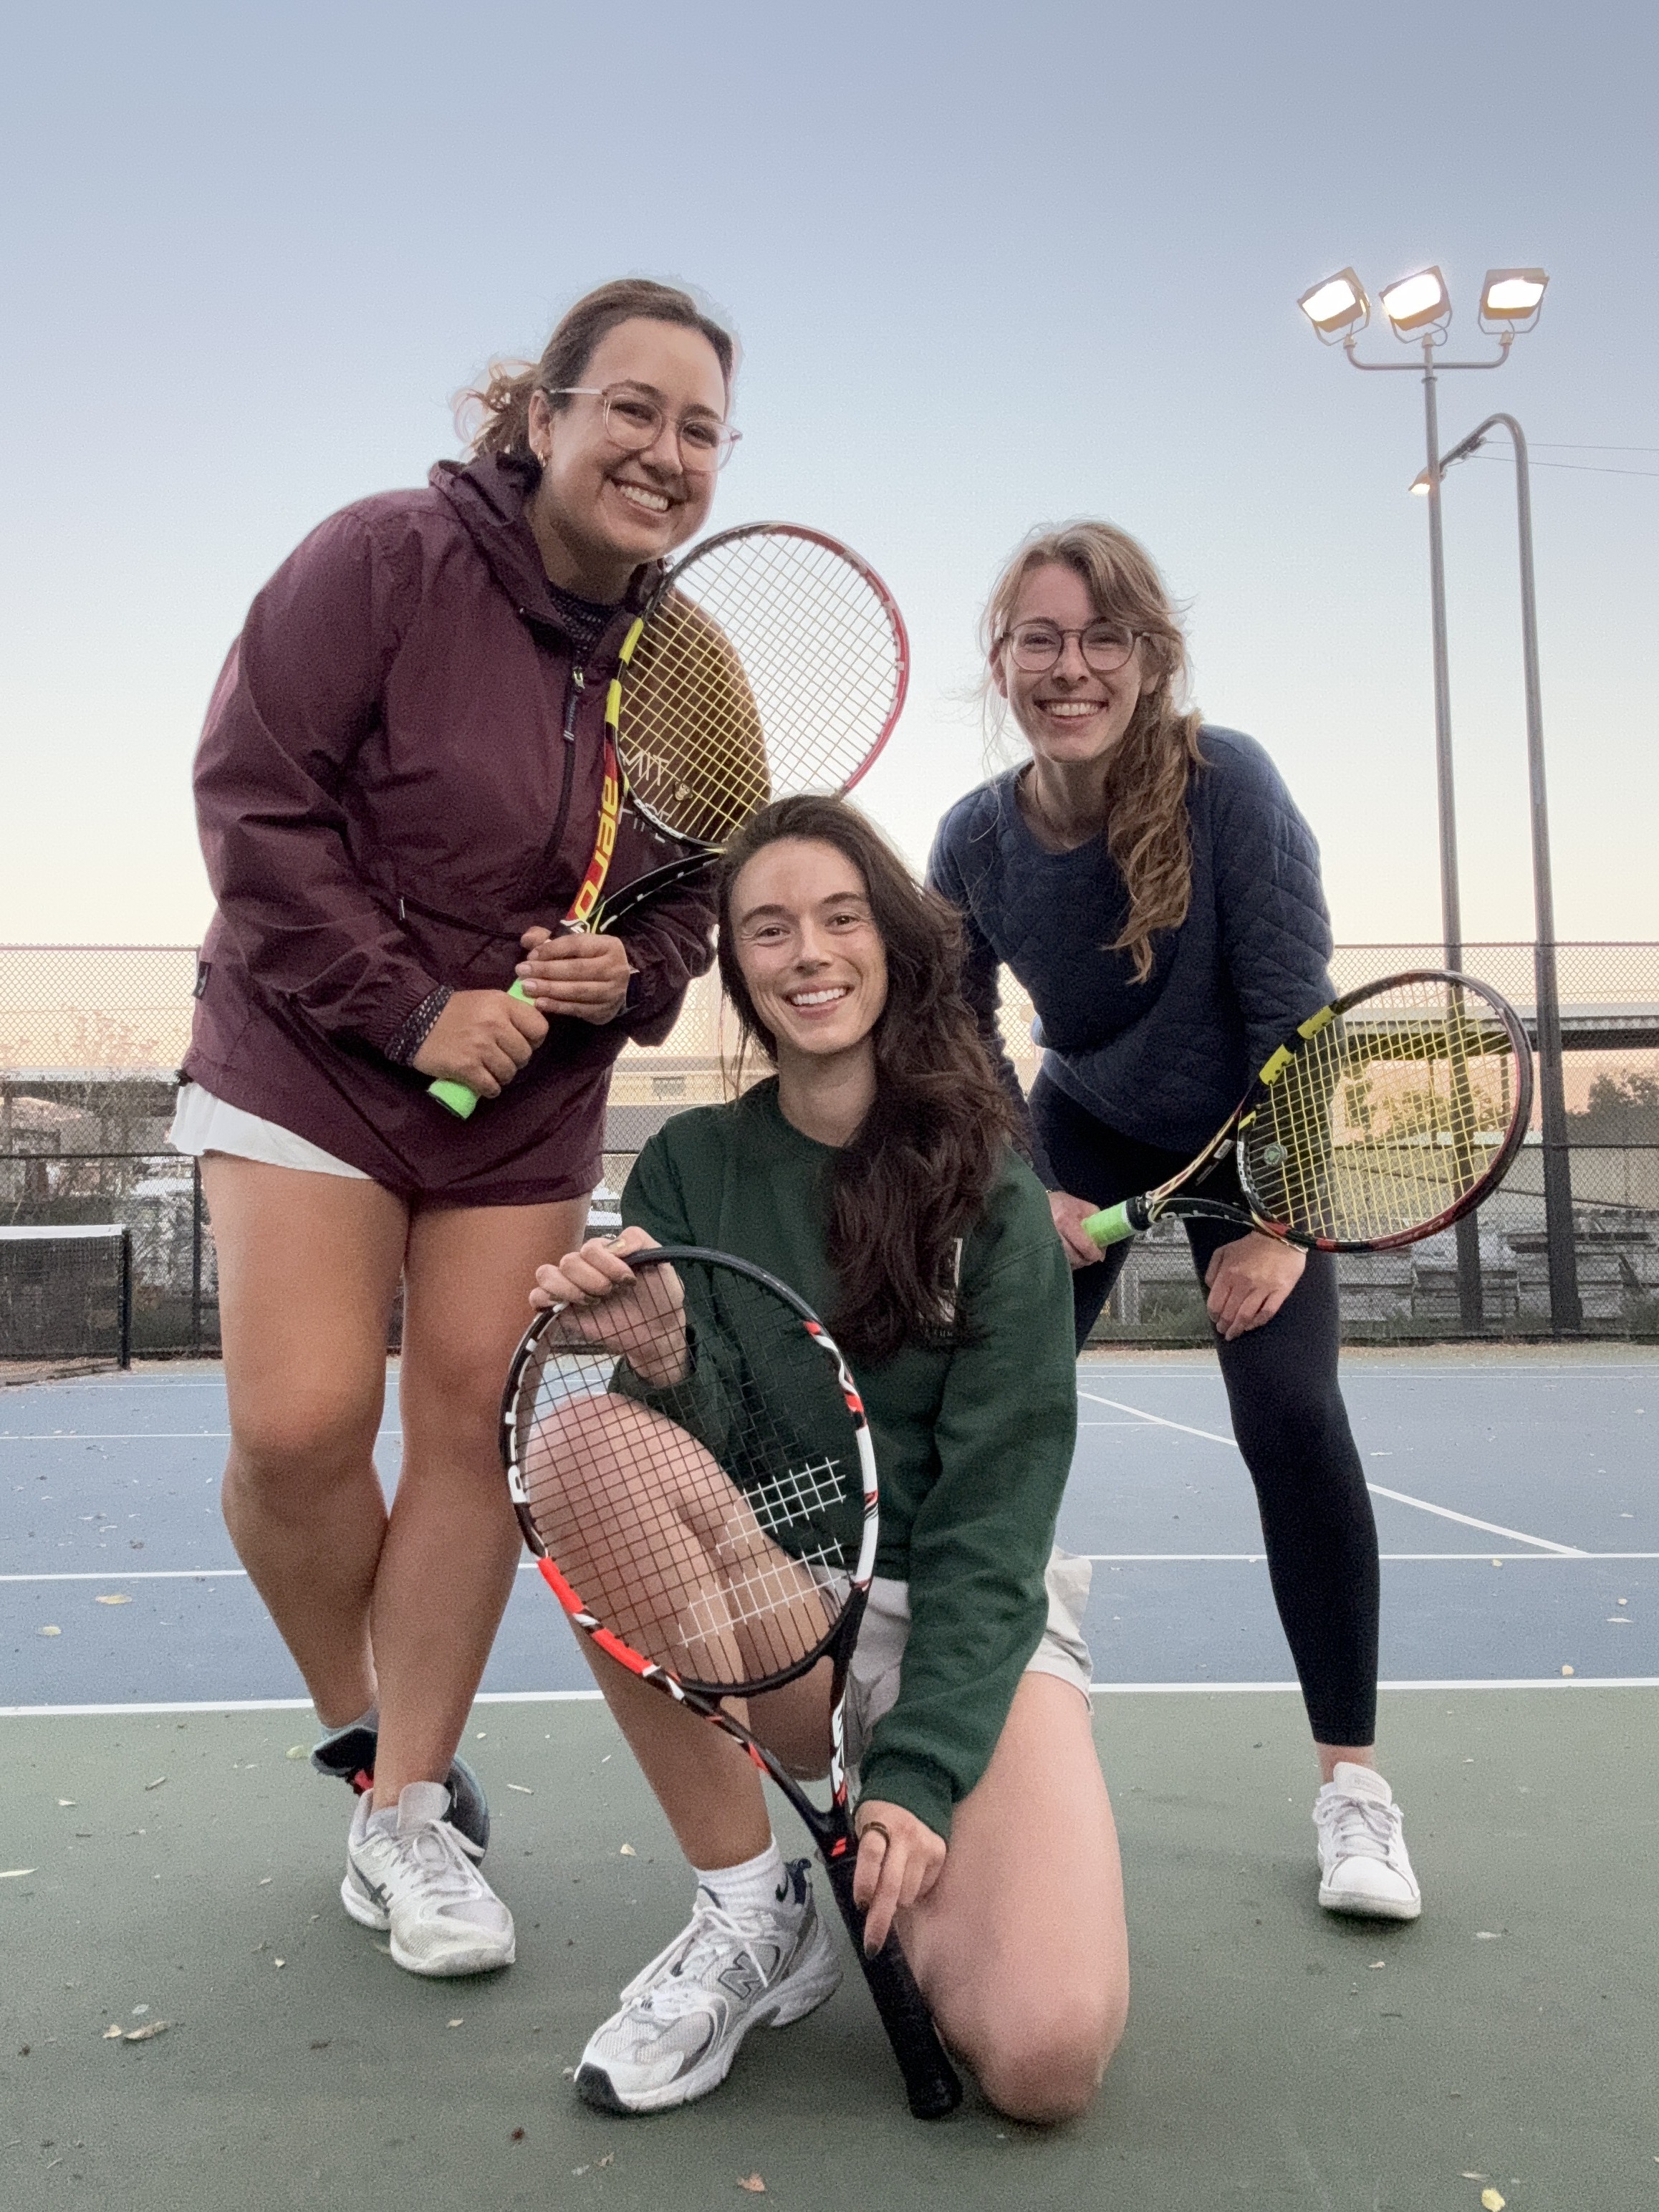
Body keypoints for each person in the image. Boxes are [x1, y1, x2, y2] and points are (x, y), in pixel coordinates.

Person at [172, 278, 739, 1976]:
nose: (664, 450)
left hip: (523, 1114)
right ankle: (368, 1726)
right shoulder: (380, 559)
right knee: (295, 1424)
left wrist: (615, 972)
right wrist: (414, 1006)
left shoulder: (692, 668)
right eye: (631, 407)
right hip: (305, 1053)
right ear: (544, 414)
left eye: (701, 427)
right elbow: (253, 800)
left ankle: (406, 1811)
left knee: (472, 1427)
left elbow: (692, 902)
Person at [526, 796, 1128, 2121]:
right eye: (769, 929)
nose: (808, 953)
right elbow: (697, 1481)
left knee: (1042, 2059)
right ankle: (758, 1897)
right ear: (738, 967)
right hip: (789, 1614)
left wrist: (917, 1776)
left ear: (894, 944)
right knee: (577, 1447)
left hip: (968, 1624)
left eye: (840, 918)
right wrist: (667, 1356)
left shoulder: (994, 1189)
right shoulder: (688, 1164)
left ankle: (908, 1842)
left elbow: (996, 1515)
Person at [927, 523, 1421, 1923]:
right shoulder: (975, 837)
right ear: (1004, 658)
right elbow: (953, 1047)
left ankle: (1354, 1790)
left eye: (1102, 638)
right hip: (1082, 1118)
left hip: (1256, 1138)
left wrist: (1282, 1223)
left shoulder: (1229, 786)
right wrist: (1030, 1195)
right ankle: (939, 1744)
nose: (1070, 665)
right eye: (1042, 637)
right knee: (991, 1395)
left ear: (1149, 659)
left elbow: (1293, 1016)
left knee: (1289, 1415)